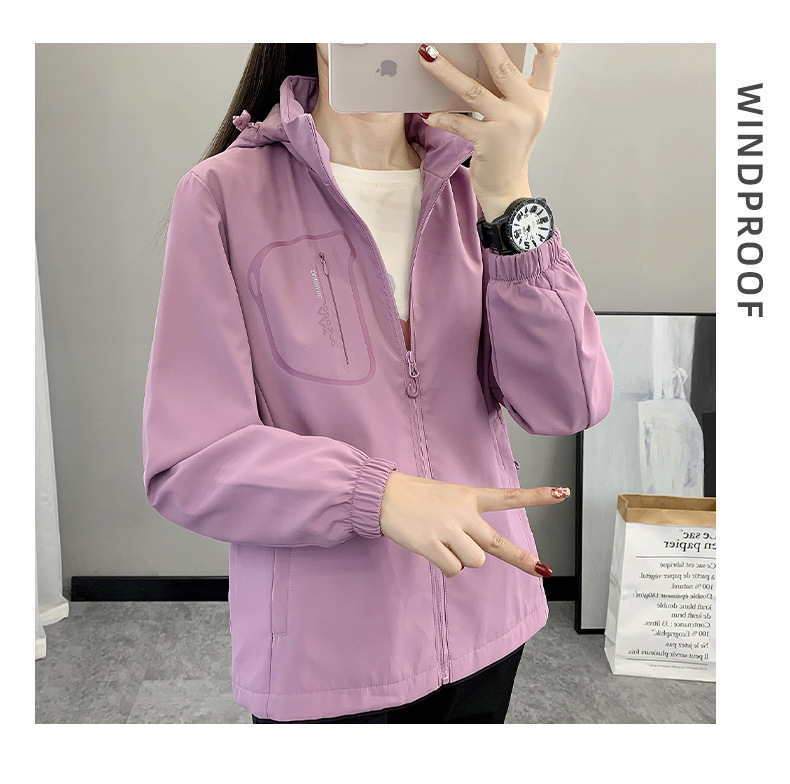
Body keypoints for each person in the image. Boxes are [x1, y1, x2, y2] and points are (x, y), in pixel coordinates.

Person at [142, 43, 614, 723]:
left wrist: (510, 193)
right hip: (326, 656)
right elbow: (190, 462)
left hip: (489, 614)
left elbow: (567, 404)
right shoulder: (223, 194)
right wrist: (378, 494)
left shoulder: (472, 190)